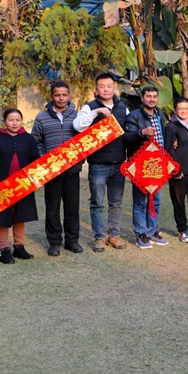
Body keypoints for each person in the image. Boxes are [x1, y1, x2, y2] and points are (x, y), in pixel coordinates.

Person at [0, 108, 40, 264]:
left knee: (20, 214)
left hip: (22, 184)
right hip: (1, 185)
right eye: (11, 120)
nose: (14, 123)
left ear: (21, 121)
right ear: (4, 121)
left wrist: (37, 180)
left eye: (17, 120)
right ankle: (4, 249)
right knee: (2, 217)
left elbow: (36, 162)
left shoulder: (29, 139)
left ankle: (19, 247)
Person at [73, 72, 129, 253]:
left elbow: (129, 132)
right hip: (98, 165)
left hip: (119, 163)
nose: (106, 89)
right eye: (102, 86)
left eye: (109, 86)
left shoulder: (123, 108)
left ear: (114, 88)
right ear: (96, 90)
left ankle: (114, 235)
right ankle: (99, 237)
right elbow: (77, 126)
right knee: (97, 202)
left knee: (116, 203)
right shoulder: (90, 107)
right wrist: (96, 112)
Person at [31, 81, 83, 257]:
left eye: (64, 95)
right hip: (51, 172)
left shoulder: (78, 117)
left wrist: (80, 159)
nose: (61, 98)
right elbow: (36, 141)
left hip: (72, 170)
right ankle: (54, 242)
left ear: (69, 96)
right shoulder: (41, 118)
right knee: (52, 208)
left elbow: (85, 140)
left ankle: (72, 241)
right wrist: (44, 160)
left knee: (72, 207)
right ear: (52, 96)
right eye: (57, 95)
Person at [123, 85, 169, 250]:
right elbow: (127, 138)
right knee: (140, 201)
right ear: (142, 98)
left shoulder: (160, 114)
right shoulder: (134, 116)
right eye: (148, 96)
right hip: (141, 164)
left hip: (157, 164)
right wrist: (141, 133)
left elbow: (163, 136)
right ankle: (140, 234)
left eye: (154, 96)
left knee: (155, 200)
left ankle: (152, 231)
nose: (152, 99)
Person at [164, 97, 188, 243]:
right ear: (175, 110)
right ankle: (183, 230)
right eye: (180, 108)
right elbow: (168, 149)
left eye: (186, 108)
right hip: (178, 173)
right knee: (178, 202)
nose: (184, 111)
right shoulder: (171, 127)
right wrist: (176, 169)